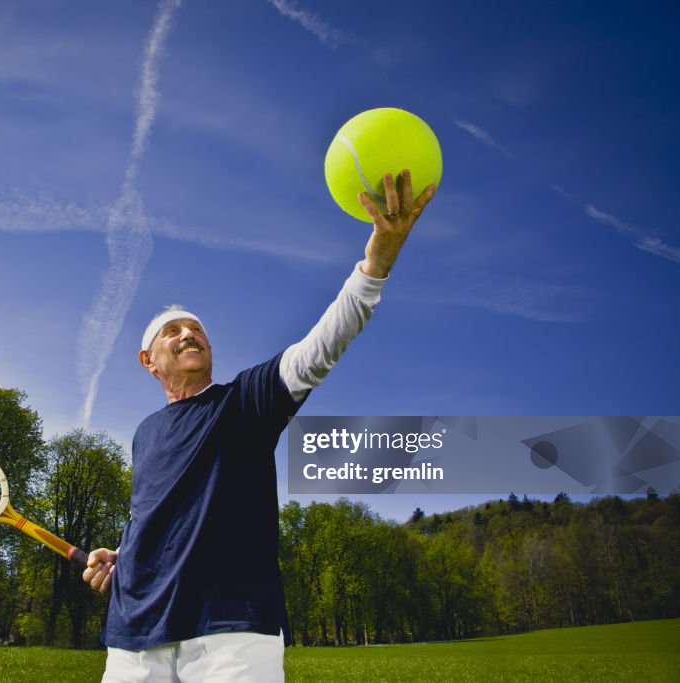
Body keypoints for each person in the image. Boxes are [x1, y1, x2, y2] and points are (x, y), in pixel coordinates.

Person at [83, 171, 436, 682]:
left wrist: (375, 264)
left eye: (197, 329)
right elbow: (154, 515)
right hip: (136, 635)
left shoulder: (245, 401)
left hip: (232, 629)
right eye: (173, 331)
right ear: (147, 360)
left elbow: (321, 347)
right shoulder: (144, 433)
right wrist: (126, 556)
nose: (189, 334)